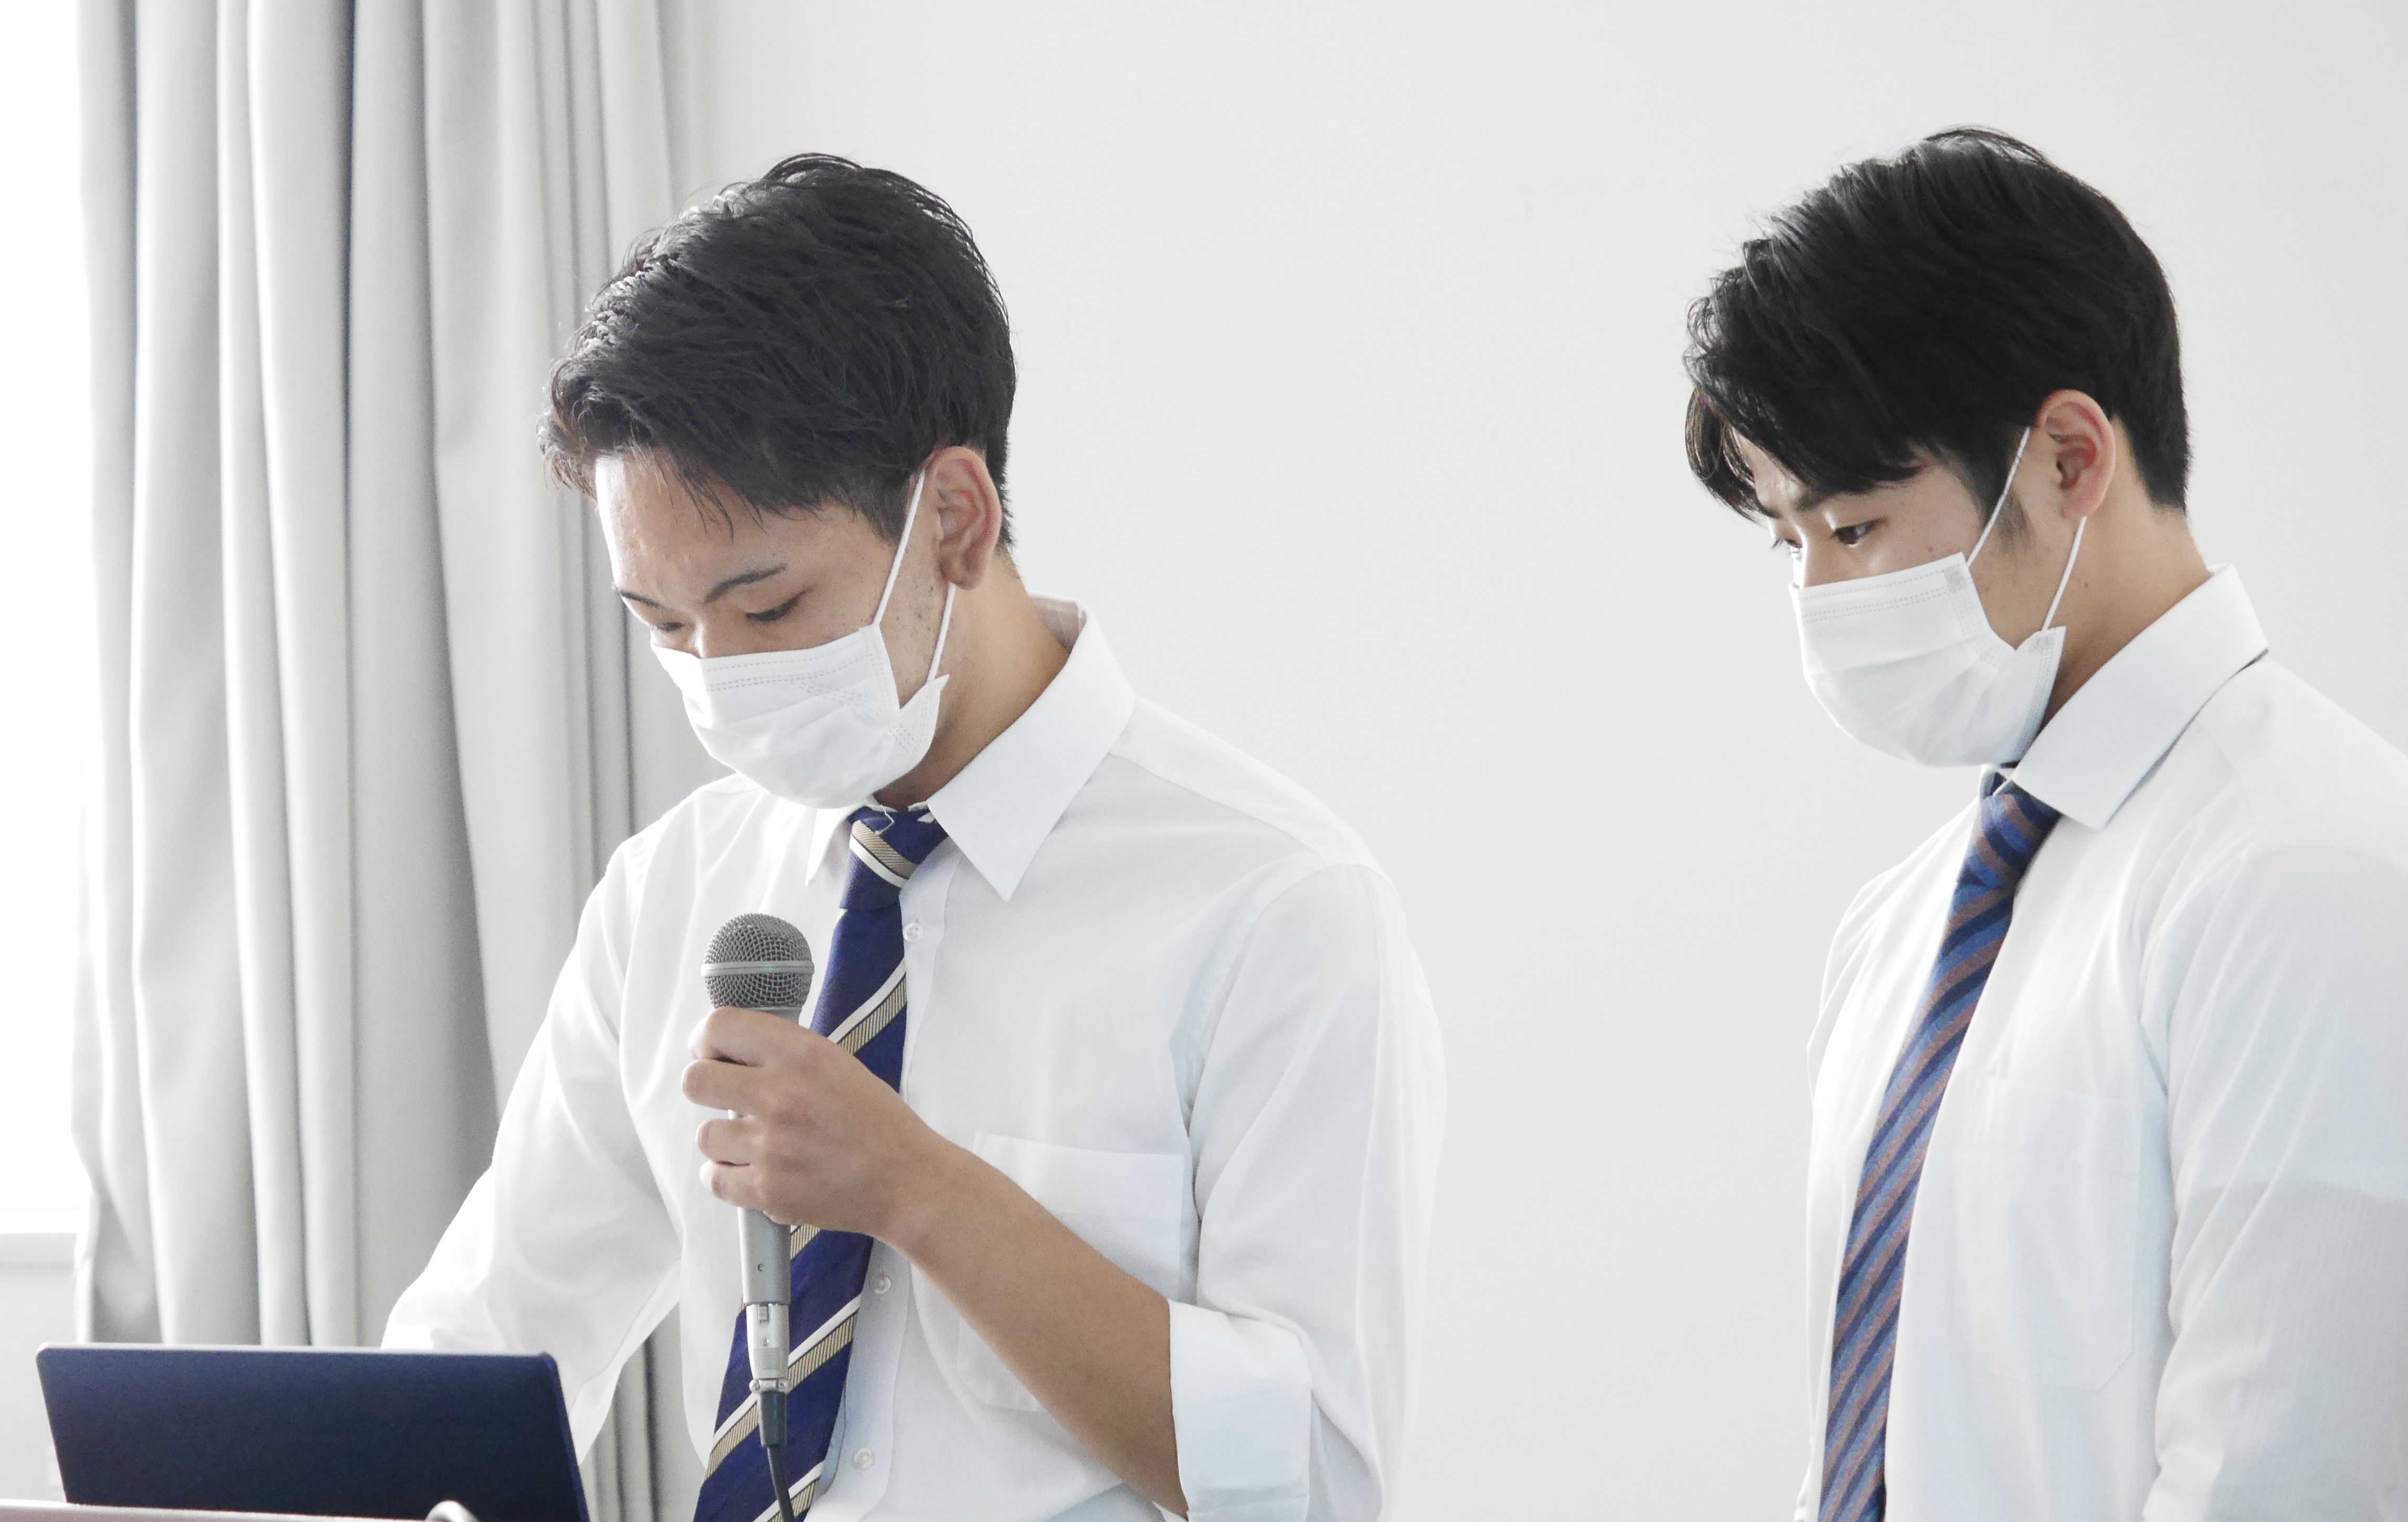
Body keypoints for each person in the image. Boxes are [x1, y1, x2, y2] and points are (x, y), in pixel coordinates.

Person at [384, 154, 1445, 1522]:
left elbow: (1315, 1478)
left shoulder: (1275, 906)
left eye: (768, 608)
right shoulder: (674, 890)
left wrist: (918, 1189)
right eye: (663, 624)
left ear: (954, 518)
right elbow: (482, 1349)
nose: (717, 677)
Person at [1683, 129, 2408, 1520]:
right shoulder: (1905, 926)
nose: (1818, 599)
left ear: (2071, 457)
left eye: (1854, 526)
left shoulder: (2309, 878)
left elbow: (2289, 1478)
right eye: (1788, 542)